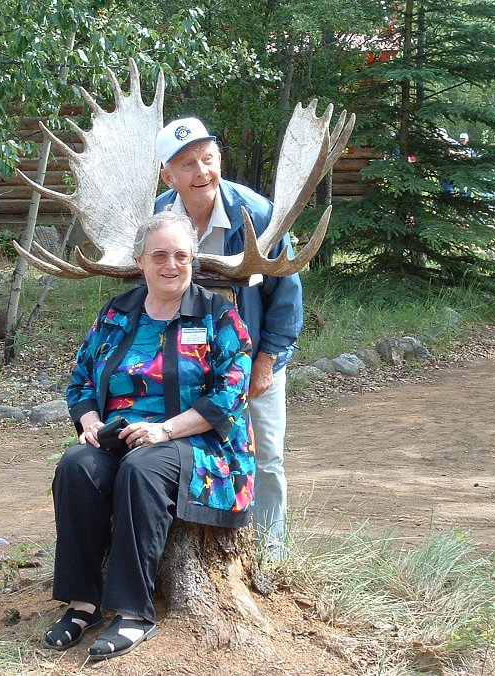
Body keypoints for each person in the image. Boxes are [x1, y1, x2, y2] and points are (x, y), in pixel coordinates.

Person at [44, 211, 254, 660]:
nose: (171, 265)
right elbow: (81, 379)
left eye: (181, 255)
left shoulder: (219, 315)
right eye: (159, 255)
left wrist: (164, 430)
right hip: (121, 433)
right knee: (76, 466)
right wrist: (90, 425)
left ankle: (133, 612)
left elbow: (230, 394)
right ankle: (83, 603)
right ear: (141, 261)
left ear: (193, 261)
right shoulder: (118, 312)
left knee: (142, 470)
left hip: (197, 442)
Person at [154, 117, 303, 550]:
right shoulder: (157, 220)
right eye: (187, 164)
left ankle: (270, 552)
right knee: (191, 453)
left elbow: (288, 295)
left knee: (266, 457)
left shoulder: (257, 215)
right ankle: (198, 550)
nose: (201, 172)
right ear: (169, 175)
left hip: (253, 360)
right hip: (186, 365)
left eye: (208, 159)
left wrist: (267, 361)